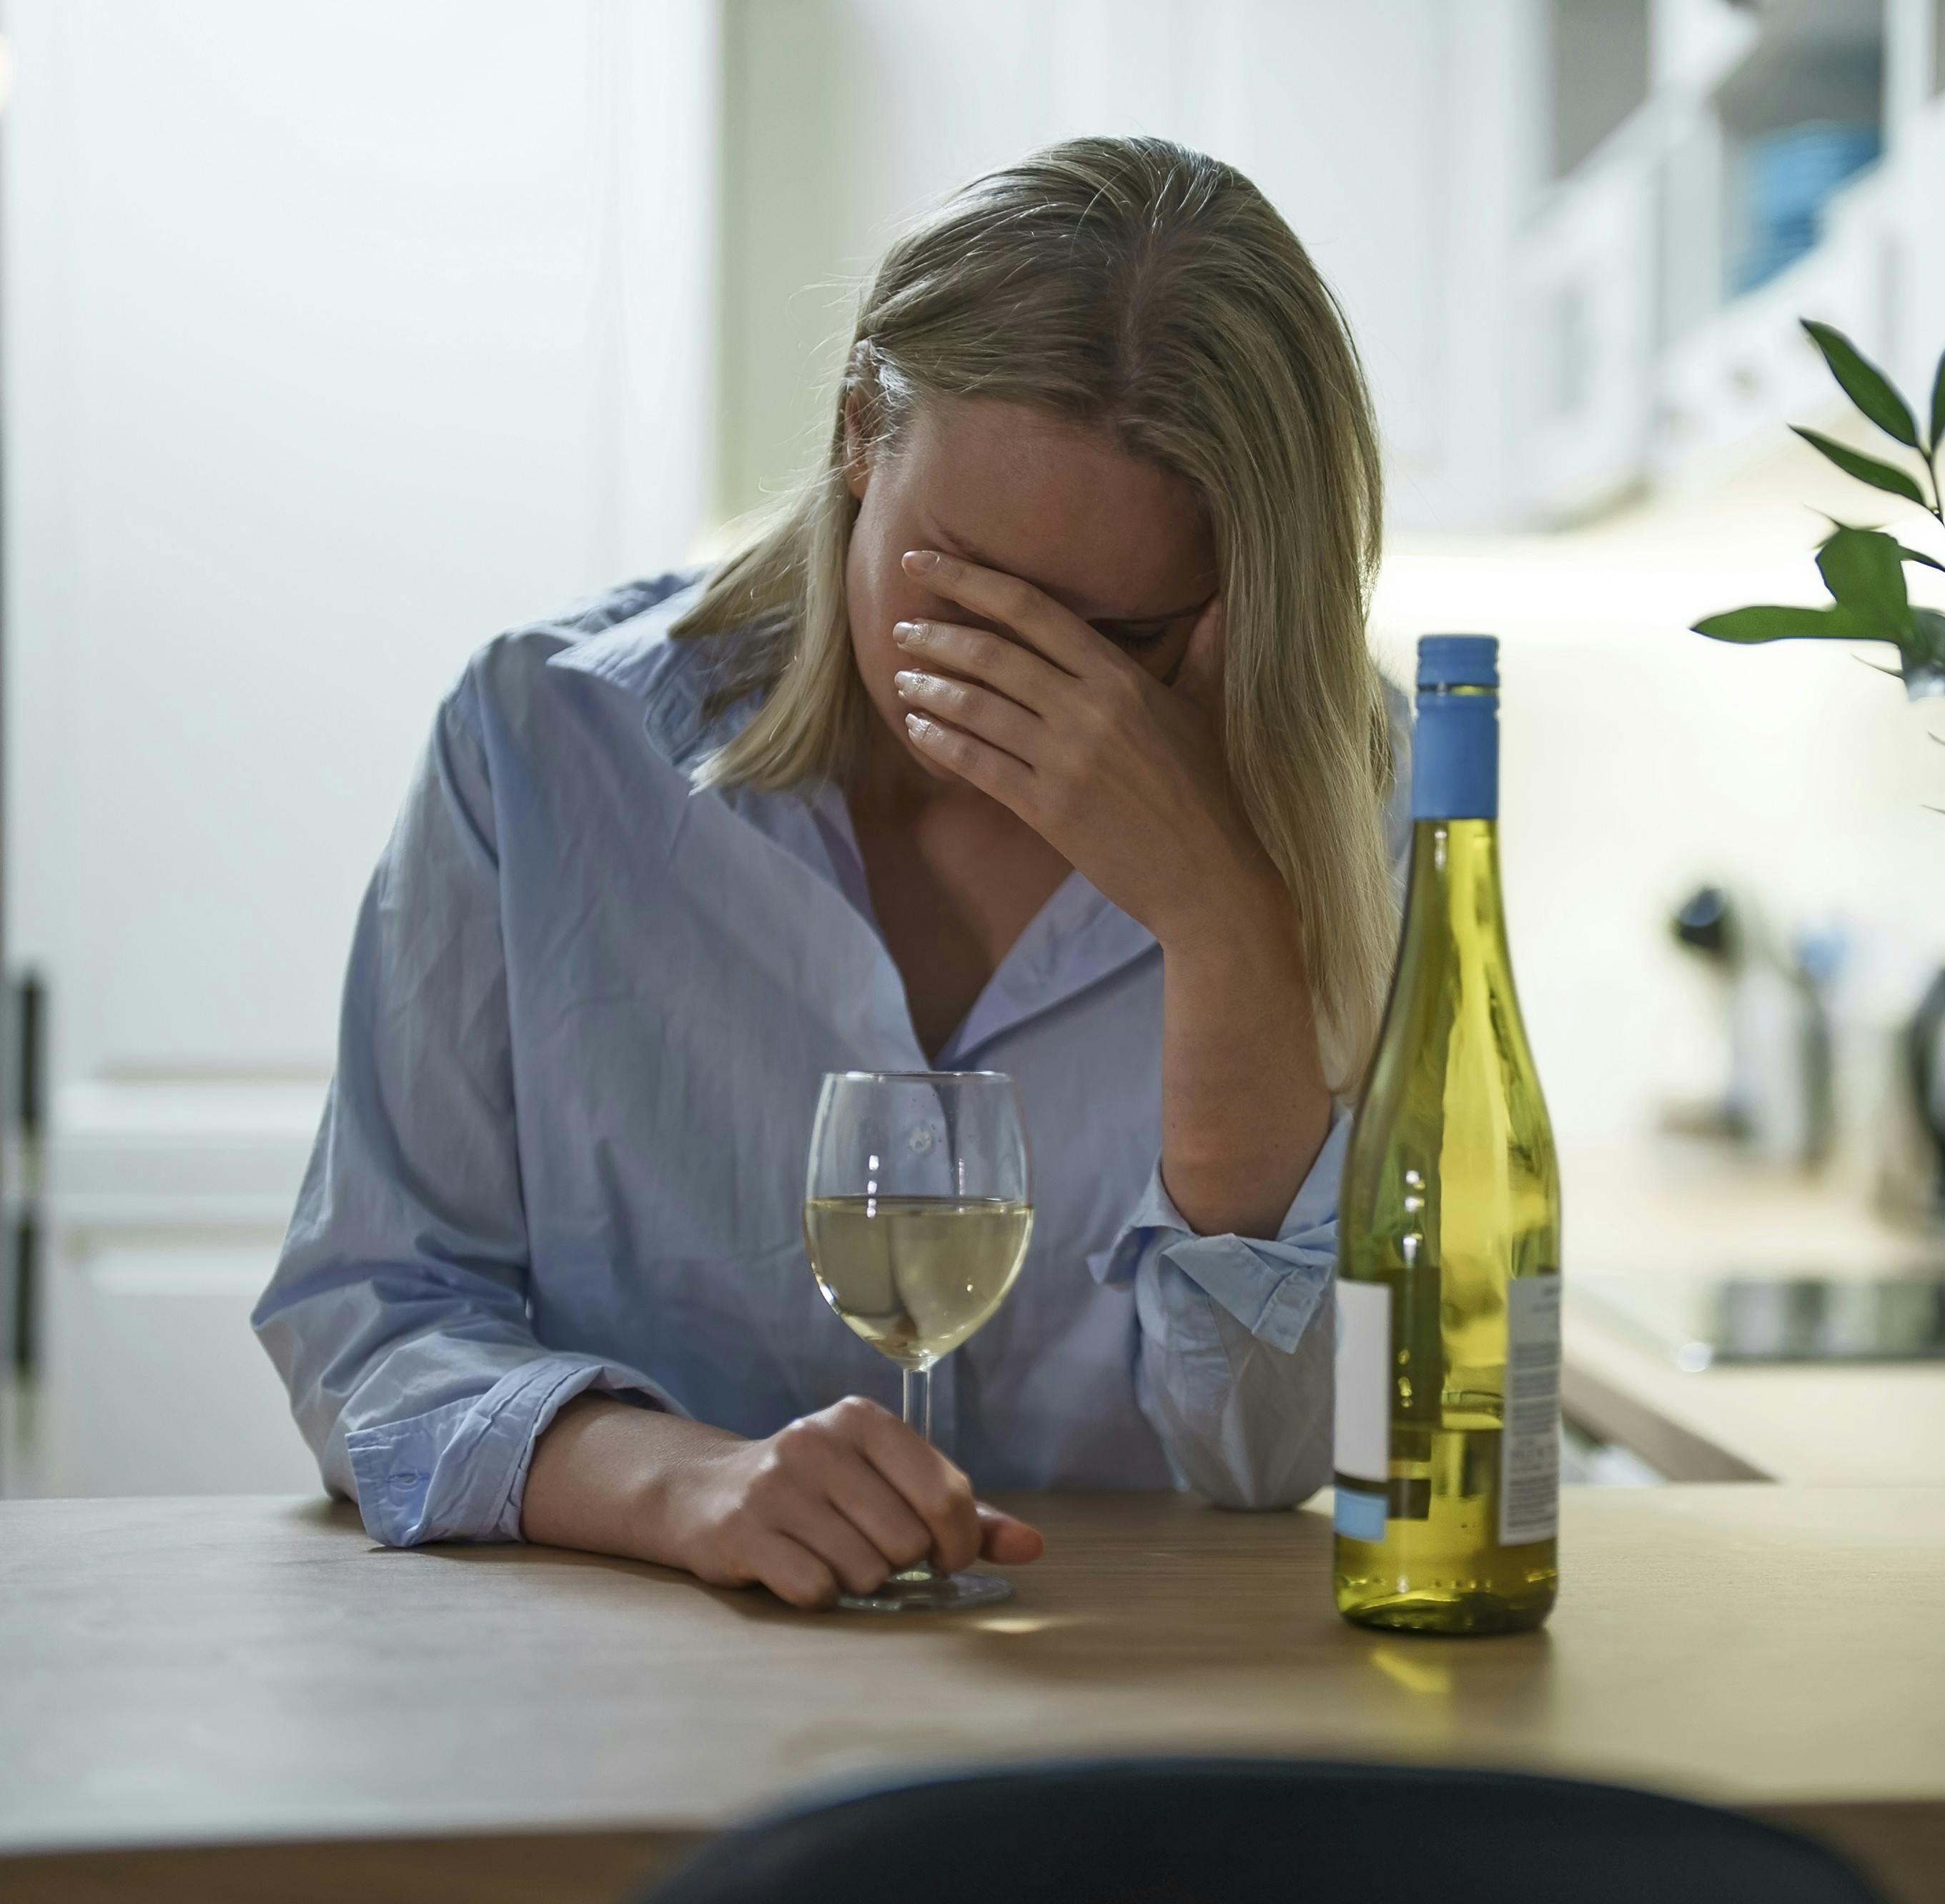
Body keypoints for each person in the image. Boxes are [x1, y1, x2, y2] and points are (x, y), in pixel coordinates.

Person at [253, 137, 1396, 1611]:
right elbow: (371, 1322)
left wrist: (1227, 927)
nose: (1007, 686)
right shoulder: (541, 743)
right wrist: (685, 1483)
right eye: (958, 587)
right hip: (637, 1700)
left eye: (1109, 643)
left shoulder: (1352, 798)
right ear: (863, 430)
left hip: (1137, 1707)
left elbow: (1265, 1465)